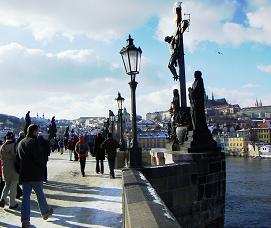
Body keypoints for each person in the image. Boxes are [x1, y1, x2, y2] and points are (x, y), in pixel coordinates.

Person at [17, 124, 53, 228]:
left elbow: (17, 160)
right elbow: (39, 158)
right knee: (40, 194)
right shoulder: (34, 142)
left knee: (25, 198)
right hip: (35, 174)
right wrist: (42, 168)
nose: (38, 133)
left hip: (24, 174)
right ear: (34, 132)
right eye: (37, 131)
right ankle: (45, 212)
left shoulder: (21, 142)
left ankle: (25, 220)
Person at [0, 132, 19, 209]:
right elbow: (17, 157)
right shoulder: (15, 145)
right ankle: (12, 203)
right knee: (13, 186)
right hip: (14, 168)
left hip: (5, 168)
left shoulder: (2, 147)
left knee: (7, 185)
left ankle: (2, 200)